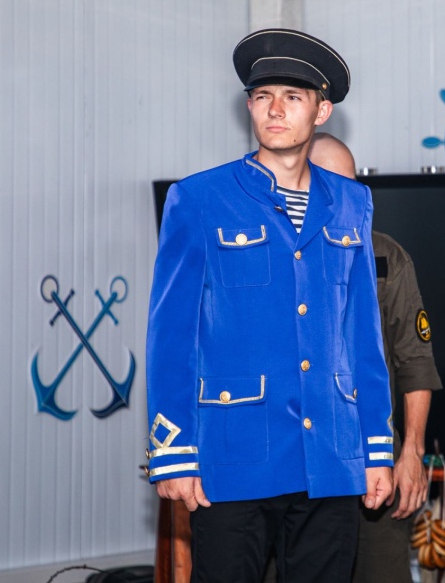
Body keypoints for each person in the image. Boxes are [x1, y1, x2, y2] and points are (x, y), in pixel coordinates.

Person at [145, 29, 394, 583]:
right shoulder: (199, 199)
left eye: (292, 97)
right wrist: (174, 451)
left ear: (321, 111)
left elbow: (363, 335)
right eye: (262, 96)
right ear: (249, 107)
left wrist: (377, 448)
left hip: (332, 454)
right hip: (235, 457)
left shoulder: (352, 202)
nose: (275, 110)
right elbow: (172, 335)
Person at [308, 133, 443, 583]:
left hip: (375, 460)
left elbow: (415, 361)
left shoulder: (385, 256)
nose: (343, 197)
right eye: (329, 184)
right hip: (298, 463)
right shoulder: (274, 253)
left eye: (352, 185)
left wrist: (412, 453)